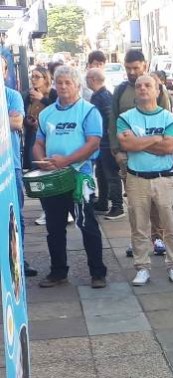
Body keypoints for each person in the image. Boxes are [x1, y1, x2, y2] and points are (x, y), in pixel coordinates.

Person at [33, 66, 108, 289]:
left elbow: (93, 142)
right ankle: (58, 272)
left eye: (68, 82)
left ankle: (97, 273)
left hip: (78, 178)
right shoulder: (46, 113)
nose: (63, 86)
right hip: (53, 179)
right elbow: (38, 142)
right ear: (54, 85)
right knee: (54, 227)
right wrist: (42, 161)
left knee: (87, 225)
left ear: (77, 85)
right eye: (59, 82)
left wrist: (66, 161)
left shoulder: (88, 111)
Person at [117, 74, 173, 286]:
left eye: (148, 85)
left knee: (170, 225)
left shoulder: (170, 118)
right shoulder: (125, 118)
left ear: (158, 90)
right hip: (136, 179)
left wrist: (140, 142)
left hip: (164, 179)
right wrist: (156, 138)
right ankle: (142, 267)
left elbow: (169, 147)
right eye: (139, 86)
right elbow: (127, 145)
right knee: (138, 226)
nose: (143, 89)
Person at [109, 49, 172, 257]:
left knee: (158, 203)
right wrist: (117, 151)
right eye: (128, 69)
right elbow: (113, 122)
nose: (132, 72)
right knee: (136, 205)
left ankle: (159, 237)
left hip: (155, 156)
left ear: (144, 65)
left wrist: (155, 145)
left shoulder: (157, 89)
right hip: (128, 157)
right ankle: (138, 240)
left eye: (136, 68)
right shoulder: (120, 91)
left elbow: (167, 121)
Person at [4, 60, 37, 278]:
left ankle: (19, 260)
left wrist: (10, 119)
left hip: (11, 166)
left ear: (5, 72)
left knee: (14, 216)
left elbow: (17, 122)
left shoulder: (12, 95)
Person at [23, 66, 58, 227]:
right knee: (38, 174)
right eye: (32, 76)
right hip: (33, 138)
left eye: (38, 76)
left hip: (50, 140)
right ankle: (47, 209)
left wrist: (42, 99)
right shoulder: (29, 96)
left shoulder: (52, 94)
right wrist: (28, 121)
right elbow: (24, 115)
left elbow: (57, 111)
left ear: (46, 78)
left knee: (50, 174)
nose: (34, 79)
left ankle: (55, 210)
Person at [86, 68, 122, 220]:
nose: (86, 81)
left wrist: (106, 135)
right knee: (101, 173)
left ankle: (117, 205)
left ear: (93, 79)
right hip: (102, 142)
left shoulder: (103, 96)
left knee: (111, 174)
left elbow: (109, 118)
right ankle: (103, 202)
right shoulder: (99, 95)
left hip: (106, 142)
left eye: (87, 78)